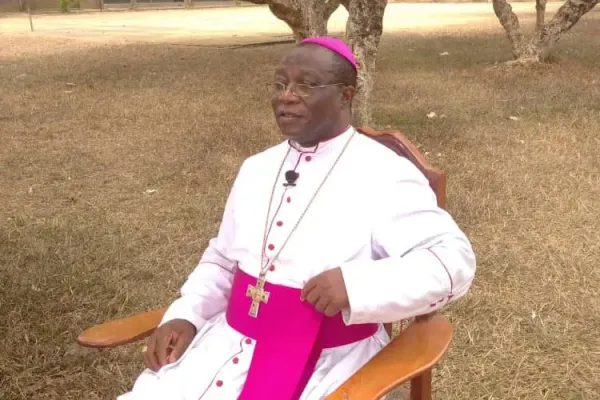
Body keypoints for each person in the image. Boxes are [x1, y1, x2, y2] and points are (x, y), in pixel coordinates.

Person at [118, 37, 476, 400]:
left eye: (306, 85)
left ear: (345, 96)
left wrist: (355, 285)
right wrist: (187, 314)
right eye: (279, 84)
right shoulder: (256, 168)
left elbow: (452, 262)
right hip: (225, 343)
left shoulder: (384, 173)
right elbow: (223, 259)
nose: (286, 96)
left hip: (329, 361)